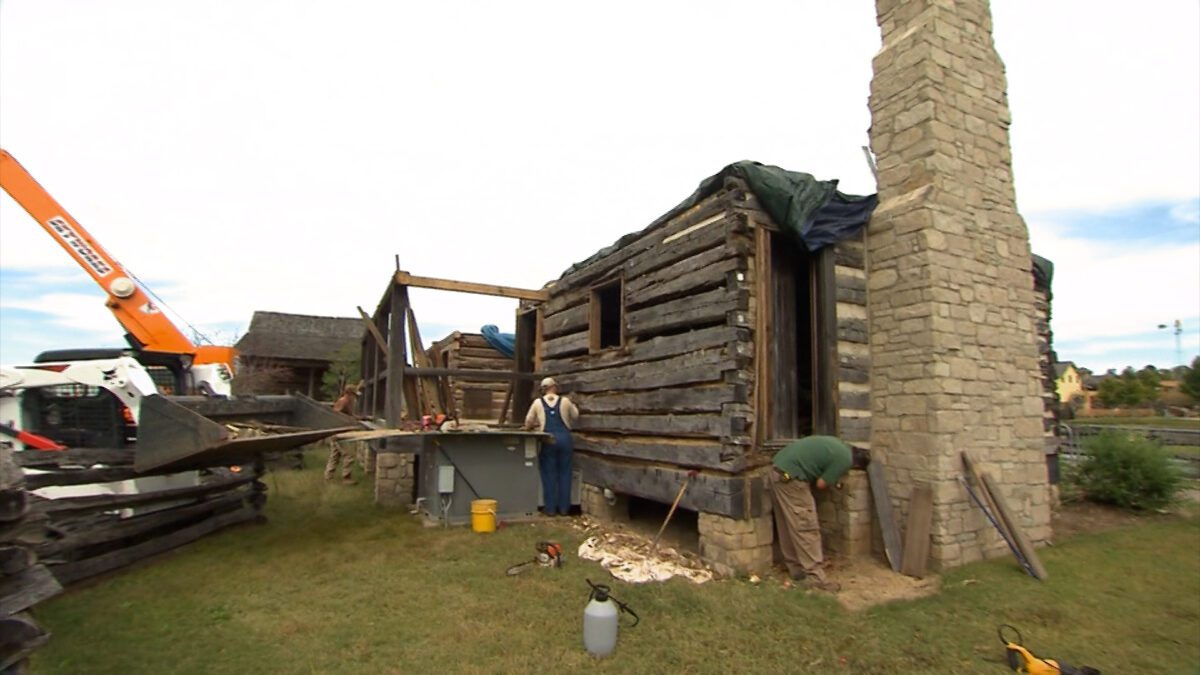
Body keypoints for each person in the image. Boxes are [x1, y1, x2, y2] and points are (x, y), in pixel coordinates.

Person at [769, 435, 871, 592]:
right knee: (806, 527)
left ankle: (796, 570)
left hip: (777, 471)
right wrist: (834, 478)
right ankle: (816, 578)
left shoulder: (838, 445)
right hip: (793, 478)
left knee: (788, 524)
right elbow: (821, 483)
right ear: (855, 465)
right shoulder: (844, 460)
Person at [523, 377, 579, 516]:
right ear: (554, 387)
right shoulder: (565, 401)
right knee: (565, 473)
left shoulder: (537, 403)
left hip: (548, 440)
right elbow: (575, 415)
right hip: (565, 439)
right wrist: (574, 404)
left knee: (549, 474)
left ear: (543, 389)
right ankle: (564, 509)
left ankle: (550, 509)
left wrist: (531, 426)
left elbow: (528, 421)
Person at [324, 384, 360, 484]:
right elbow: (335, 416)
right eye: (354, 395)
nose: (355, 398)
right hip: (338, 432)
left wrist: (359, 418)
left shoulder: (348, 402)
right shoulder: (343, 401)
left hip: (337, 432)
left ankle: (328, 476)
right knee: (349, 455)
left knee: (335, 455)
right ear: (349, 394)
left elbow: (349, 415)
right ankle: (346, 477)